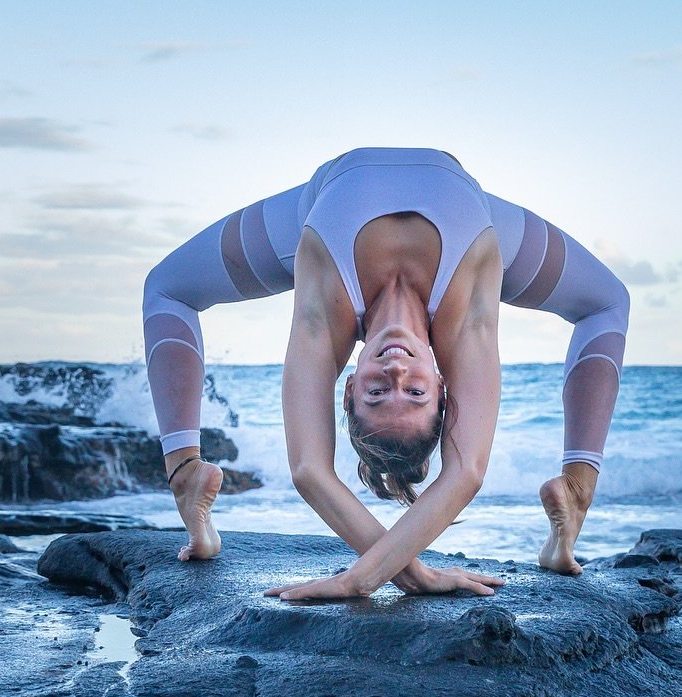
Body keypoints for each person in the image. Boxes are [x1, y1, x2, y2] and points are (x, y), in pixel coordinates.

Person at [141, 147, 630, 600]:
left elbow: (309, 470)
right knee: (607, 301)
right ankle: (577, 490)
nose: (396, 368)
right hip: (465, 210)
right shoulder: (462, 316)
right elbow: (466, 471)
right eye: (415, 391)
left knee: (167, 287)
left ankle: (184, 475)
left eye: (376, 391)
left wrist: (366, 576)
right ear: (444, 389)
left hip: (332, 200)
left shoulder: (327, 310)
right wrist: (403, 574)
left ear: (349, 387)